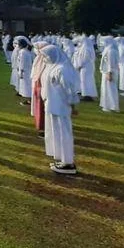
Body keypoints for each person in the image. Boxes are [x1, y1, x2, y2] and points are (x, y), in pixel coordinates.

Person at [41, 44, 79, 175]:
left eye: (46, 56)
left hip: (61, 106)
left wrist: (72, 104)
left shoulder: (62, 69)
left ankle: (68, 162)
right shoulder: (53, 67)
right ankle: (62, 159)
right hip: (53, 106)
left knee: (64, 134)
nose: (44, 58)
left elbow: (69, 89)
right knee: (57, 133)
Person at [99, 37, 120, 113]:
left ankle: (112, 106)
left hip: (109, 72)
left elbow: (110, 63)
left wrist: (109, 73)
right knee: (107, 89)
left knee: (110, 89)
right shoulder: (109, 49)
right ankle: (107, 105)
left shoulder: (110, 51)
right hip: (107, 72)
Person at [73, 37, 98, 101]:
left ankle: (87, 95)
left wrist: (79, 66)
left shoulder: (85, 49)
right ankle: (87, 94)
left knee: (85, 81)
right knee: (88, 81)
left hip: (85, 67)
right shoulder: (88, 48)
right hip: (88, 67)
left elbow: (83, 59)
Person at [15, 37, 34, 106]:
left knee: (27, 86)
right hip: (28, 70)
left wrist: (21, 72)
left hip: (25, 71)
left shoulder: (22, 52)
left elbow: (22, 63)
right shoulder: (27, 51)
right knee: (28, 85)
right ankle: (30, 100)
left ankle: (30, 100)